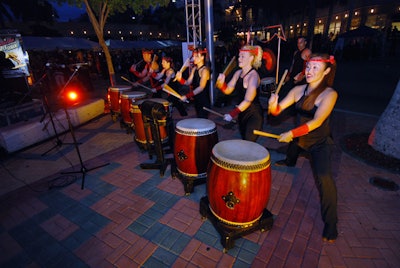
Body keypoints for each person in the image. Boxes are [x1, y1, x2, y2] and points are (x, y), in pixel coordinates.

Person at [268, 53, 338, 242]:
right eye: (308, 67)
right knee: (292, 150)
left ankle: (331, 225)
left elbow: (317, 122)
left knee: (325, 181)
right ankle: (290, 159)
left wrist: (291, 134)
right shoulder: (298, 90)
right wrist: (272, 105)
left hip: (319, 143)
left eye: (315, 68)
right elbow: (276, 112)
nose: (309, 71)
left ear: (327, 71)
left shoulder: (330, 94)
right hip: (300, 139)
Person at [216, 45, 264, 142]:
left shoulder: (253, 77)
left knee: (249, 142)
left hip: (253, 114)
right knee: (244, 140)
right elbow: (228, 90)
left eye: (243, 56)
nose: (239, 59)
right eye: (239, 56)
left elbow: (248, 100)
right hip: (242, 112)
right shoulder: (238, 73)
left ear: (251, 58)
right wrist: (222, 84)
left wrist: (232, 114)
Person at [175, 47, 211, 119]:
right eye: (193, 56)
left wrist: (187, 96)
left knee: (203, 120)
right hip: (197, 99)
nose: (194, 58)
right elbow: (188, 82)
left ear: (202, 57)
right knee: (199, 118)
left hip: (204, 100)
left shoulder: (205, 71)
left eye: (196, 56)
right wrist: (180, 79)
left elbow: (201, 88)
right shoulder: (194, 69)